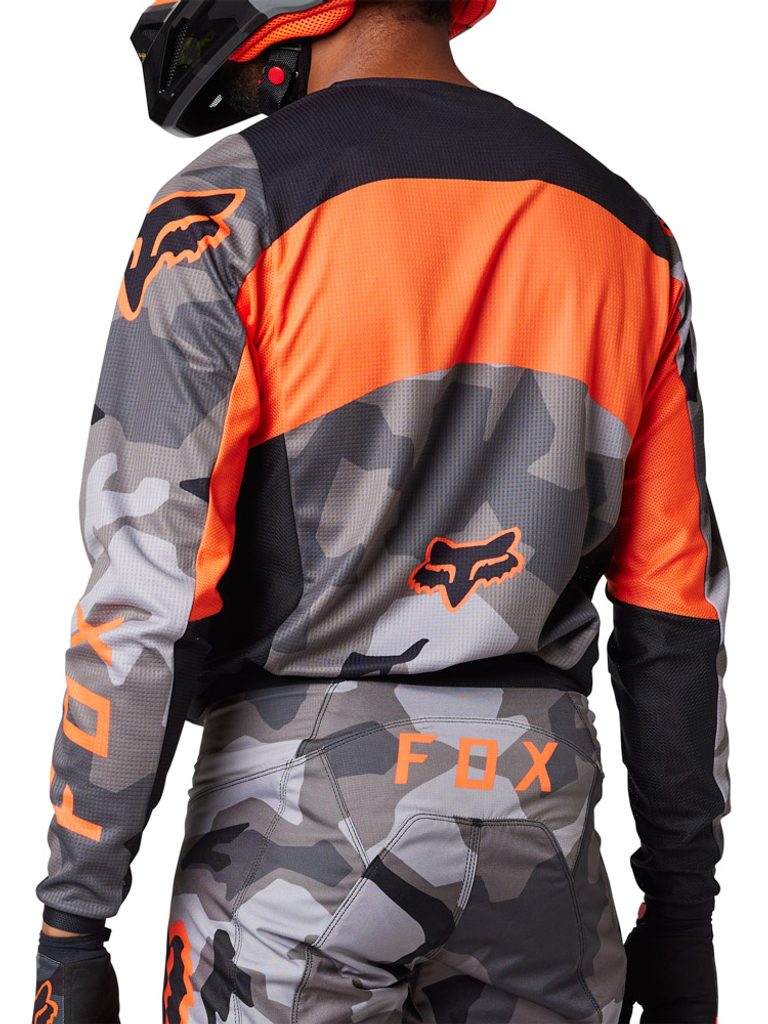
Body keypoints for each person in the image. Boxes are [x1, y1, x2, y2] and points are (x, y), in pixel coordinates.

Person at [32, 2, 729, 1022]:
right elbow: (675, 610)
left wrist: (74, 919)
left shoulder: (228, 209)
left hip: (298, 821)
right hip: (541, 814)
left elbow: (148, 599)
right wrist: (682, 910)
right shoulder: (628, 230)